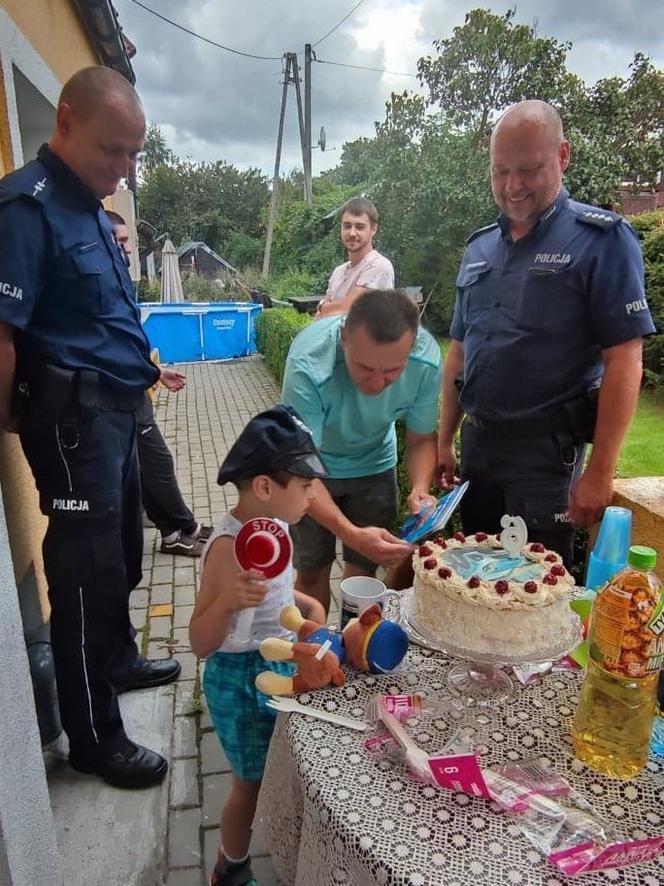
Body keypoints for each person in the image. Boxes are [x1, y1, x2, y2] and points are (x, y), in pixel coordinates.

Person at [0, 66, 182, 789]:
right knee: (83, 577)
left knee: (124, 556)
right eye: (114, 150)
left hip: (117, 413)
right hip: (74, 424)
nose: (124, 168)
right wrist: (16, 415)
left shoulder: (90, 208)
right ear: (66, 123)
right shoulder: (26, 209)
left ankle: (118, 659)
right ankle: (95, 739)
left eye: (134, 153)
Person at [438, 99, 656, 566]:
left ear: (562, 156)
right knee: (472, 578)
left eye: (529, 169)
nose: (512, 186)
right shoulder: (479, 248)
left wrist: (601, 471)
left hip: (544, 460)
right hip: (478, 450)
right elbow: (460, 351)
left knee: (535, 587)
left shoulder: (602, 241)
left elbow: (624, 360)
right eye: (500, 171)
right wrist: (444, 439)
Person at [189, 404, 327, 886]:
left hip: (280, 661)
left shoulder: (276, 528)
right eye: (306, 485)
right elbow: (200, 641)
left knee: (283, 765)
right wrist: (227, 602)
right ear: (266, 487)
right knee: (248, 785)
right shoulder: (229, 549)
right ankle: (230, 866)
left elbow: (278, 592)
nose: (314, 495)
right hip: (240, 679)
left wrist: (306, 606)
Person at [282, 288, 442, 611]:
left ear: (412, 346)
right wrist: (351, 533)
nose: (377, 384)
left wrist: (420, 488)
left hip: (375, 465)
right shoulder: (308, 364)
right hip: (313, 469)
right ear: (344, 337)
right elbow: (301, 466)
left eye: (392, 371)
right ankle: (313, 644)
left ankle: (355, 642)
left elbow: (422, 439)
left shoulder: (426, 361)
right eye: (364, 367)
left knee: (364, 573)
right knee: (311, 572)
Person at [106, 209, 212, 556]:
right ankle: (183, 529)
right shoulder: (101, 285)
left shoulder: (115, 278)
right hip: (122, 394)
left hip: (134, 387)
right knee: (158, 464)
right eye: (121, 241)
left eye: (128, 242)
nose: (128, 249)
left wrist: (155, 372)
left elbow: (127, 342)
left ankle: (176, 531)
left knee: (148, 466)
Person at [316, 196, 394, 318]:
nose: (352, 233)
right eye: (347, 226)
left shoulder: (378, 265)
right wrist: (326, 309)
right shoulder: (338, 272)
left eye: (359, 227)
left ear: (373, 229)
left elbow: (348, 309)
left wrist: (323, 306)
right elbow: (318, 318)